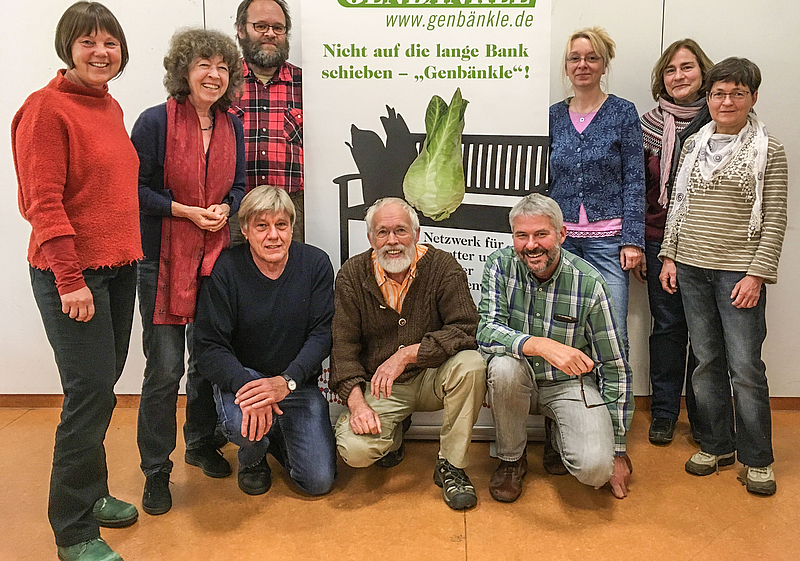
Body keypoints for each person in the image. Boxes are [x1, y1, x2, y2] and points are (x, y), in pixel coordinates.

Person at [12, 1, 141, 561]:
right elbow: (42, 202)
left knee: (101, 388)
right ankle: (73, 530)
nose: (100, 52)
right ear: (67, 47)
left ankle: (92, 493)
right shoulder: (45, 109)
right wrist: (69, 279)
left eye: (109, 42)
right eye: (88, 42)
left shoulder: (108, 107)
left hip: (118, 269)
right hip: (73, 275)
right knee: (88, 395)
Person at [130, 28, 246, 516]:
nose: (213, 75)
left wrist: (226, 206)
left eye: (222, 67)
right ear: (184, 70)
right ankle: (156, 470)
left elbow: (239, 184)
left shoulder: (232, 125)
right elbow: (134, 190)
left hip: (213, 259)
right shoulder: (154, 122)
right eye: (204, 65)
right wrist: (183, 210)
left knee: (205, 360)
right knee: (164, 369)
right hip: (160, 259)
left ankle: (201, 443)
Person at [659, 58, 787, 496]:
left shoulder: (769, 150)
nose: (726, 101)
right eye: (718, 94)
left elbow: (775, 219)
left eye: (737, 93)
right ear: (708, 99)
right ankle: (716, 445)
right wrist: (670, 257)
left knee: (745, 367)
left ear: (753, 97)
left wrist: (757, 275)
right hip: (691, 268)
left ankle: (758, 459)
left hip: (738, 275)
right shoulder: (693, 145)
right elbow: (679, 206)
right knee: (706, 361)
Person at [331, 197, 486, 510]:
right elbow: (342, 348)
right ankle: (394, 433)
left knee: (471, 364)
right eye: (382, 232)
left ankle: (451, 466)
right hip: (383, 386)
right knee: (355, 451)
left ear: (416, 234)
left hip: (433, 377)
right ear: (370, 238)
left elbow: (466, 328)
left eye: (400, 231)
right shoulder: (351, 275)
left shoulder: (443, 267)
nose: (392, 241)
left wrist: (408, 355)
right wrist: (358, 405)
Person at [478, 194, 633, 502]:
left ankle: (557, 434)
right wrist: (540, 345)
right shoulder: (499, 265)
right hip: (517, 378)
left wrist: (617, 450)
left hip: (568, 383)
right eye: (522, 235)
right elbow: (486, 330)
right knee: (503, 367)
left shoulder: (589, 282)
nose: (531, 245)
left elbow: (614, 366)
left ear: (562, 234)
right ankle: (511, 459)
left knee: (595, 470)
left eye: (541, 234)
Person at [193, 186, 336, 497]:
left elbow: (322, 334)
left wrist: (287, 381)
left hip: (296, 384)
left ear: (292, 228)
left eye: (281, 225)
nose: (273, 235)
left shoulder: (316, 264)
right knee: (242, 427)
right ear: (245, 230)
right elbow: (209, 346)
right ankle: (253, 457)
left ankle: (274, 434)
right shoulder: (225, 269)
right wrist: (250, 387)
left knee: (318, 482)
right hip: (244, 383)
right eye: (262, 226)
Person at [636, 39, 714, 446]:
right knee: (667, 328)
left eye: (687, 67)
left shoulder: (723, 118)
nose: (679, 76)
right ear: (661, 78)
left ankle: (704, 416)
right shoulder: (646, 125)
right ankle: (665, 412)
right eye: (670, 69)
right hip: (656, 239)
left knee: (705, 332)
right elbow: (636, 188)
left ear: (703, 72)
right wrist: (636, 241)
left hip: (706, 243)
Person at [548, 27, 644, 351]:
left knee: (612, 332)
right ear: (566, 66)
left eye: (592, 58)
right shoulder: (553, 116)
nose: (582, 65)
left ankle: (616, 387)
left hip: (609, 243)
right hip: (564, 242)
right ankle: (573, 387)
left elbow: (635, 178)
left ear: (604, 65)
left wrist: (632, 240)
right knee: (565, 331)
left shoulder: (623, 112)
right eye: (574, 58)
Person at [230, 0, 304, 243]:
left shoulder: (307, 86)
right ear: (241, 30)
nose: (270, 34)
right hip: (234, 212)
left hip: (293, 213)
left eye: (278, 28)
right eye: (260, 26)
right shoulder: (221, 84)